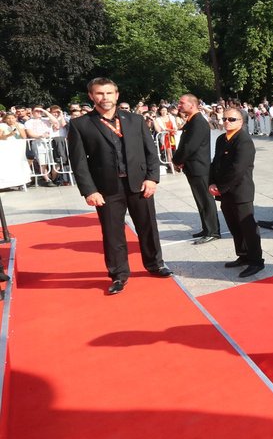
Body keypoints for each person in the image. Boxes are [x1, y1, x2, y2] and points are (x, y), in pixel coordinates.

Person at [66, 77, 172, 295]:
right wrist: (89, 190)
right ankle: (118, 275)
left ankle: (155, 264)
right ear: (91, 96)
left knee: (148, 227)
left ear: (117, 94)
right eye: (99, 93)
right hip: (106, 189)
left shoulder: (135, 120)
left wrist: (152, 178)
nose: (104, 98)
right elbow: (79, 162)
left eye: (108, 93)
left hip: (139, 184)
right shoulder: (80, 125)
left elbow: (150, 151)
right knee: (113, 233)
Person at [208, 107, 264, 278]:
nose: (227, 122)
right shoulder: (221, 139)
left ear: (241, 122)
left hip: (241, 192)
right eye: (225, 118)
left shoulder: (244, 141)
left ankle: (256, 261)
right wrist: (211, 182)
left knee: (248, 228)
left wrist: (220, 188)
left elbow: (237, 169)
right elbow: (215, 163)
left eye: (232, 119)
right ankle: (243, 255)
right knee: (234, 227)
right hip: (225, 192)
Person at [173, 94, 220, 244]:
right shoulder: (192, 120)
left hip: (199, 167)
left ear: (192, 105)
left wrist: (177, 160)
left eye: (182, 103)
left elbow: (189, 146)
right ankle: (206, 228)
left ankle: (213, 231)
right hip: (193, 167)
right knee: (200, 199)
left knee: (205, 199)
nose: (179, 105)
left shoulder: (198, 122)